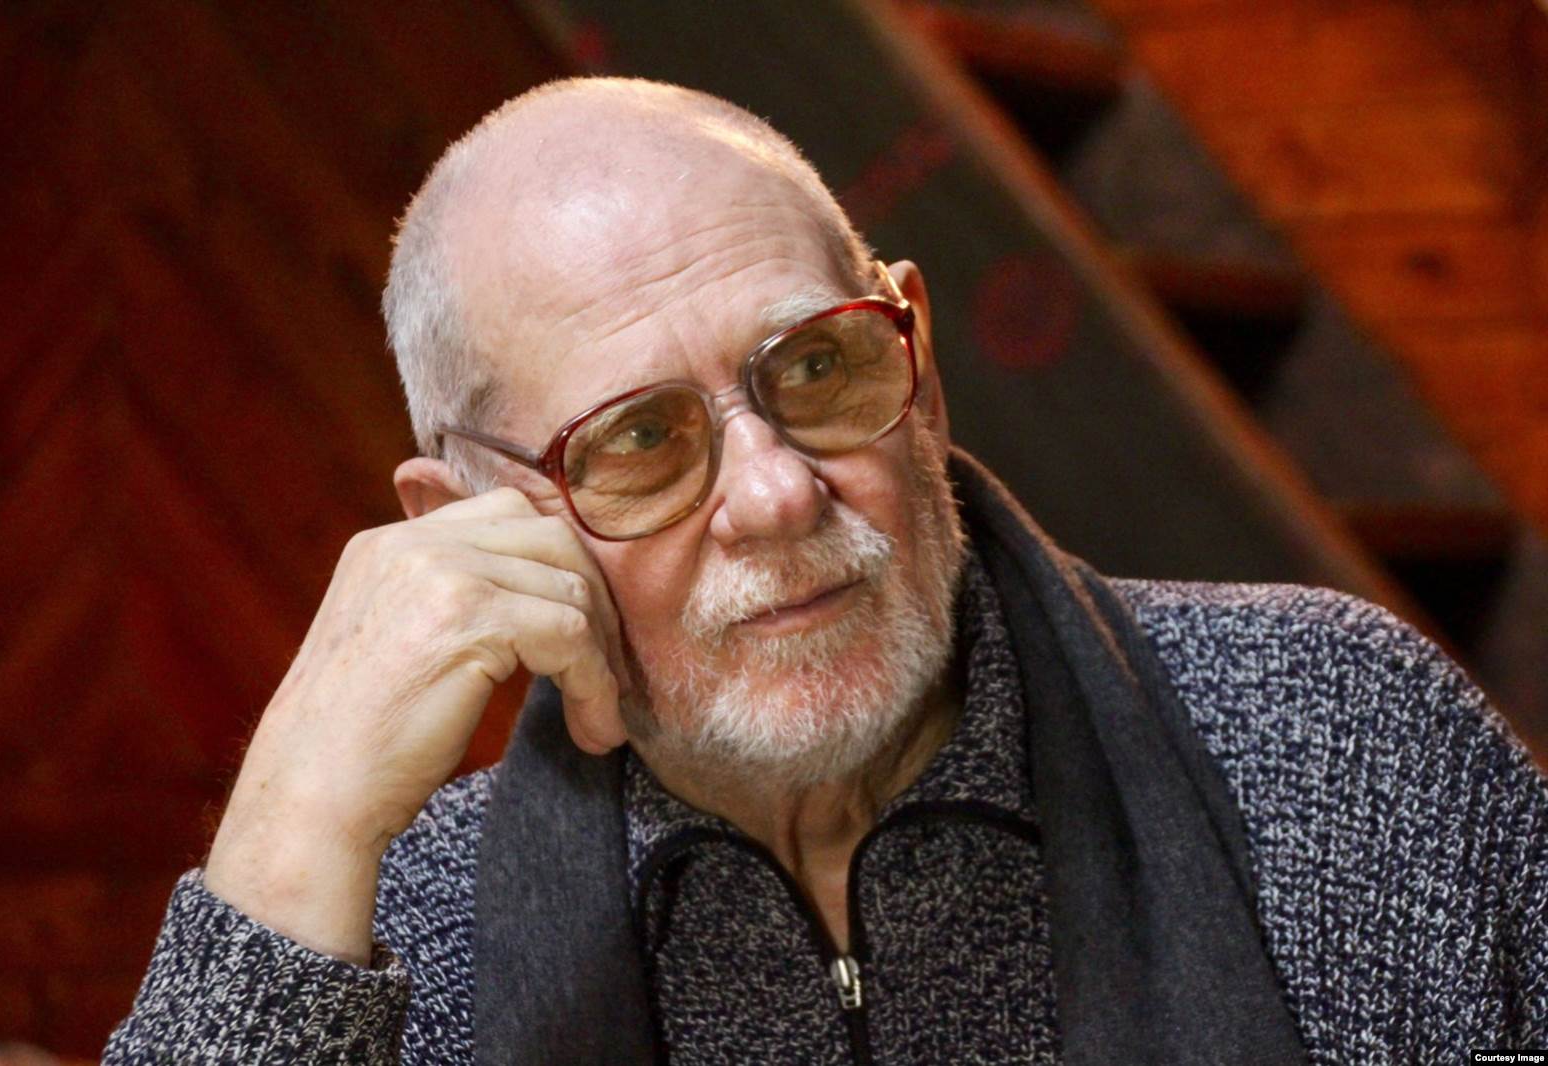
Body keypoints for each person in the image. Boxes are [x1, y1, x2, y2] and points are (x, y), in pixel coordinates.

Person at [104, 77, 1547, 1065]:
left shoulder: (1341, 739)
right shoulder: (394, 937)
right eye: (642, 441)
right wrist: (289, 835)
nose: (778, 492)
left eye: (816, 366)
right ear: (469, 517)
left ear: (918, 357)